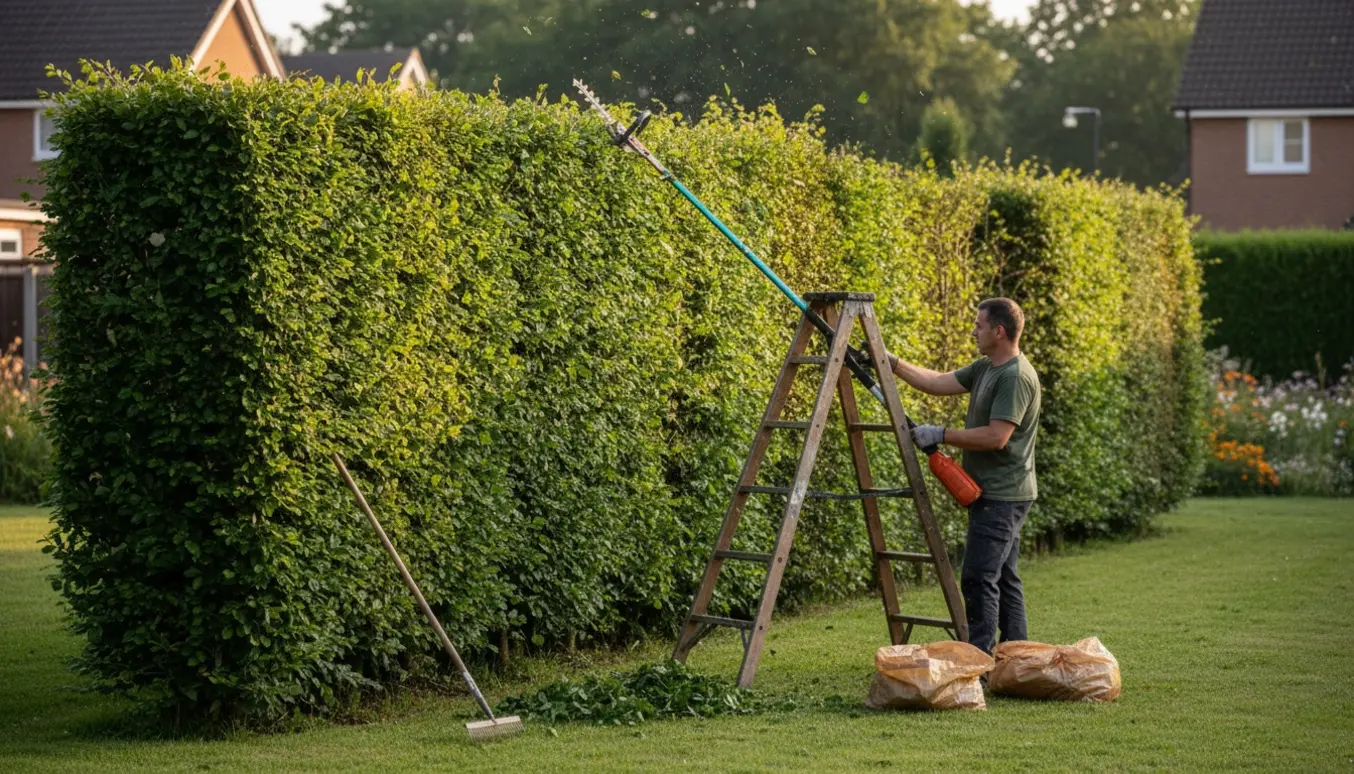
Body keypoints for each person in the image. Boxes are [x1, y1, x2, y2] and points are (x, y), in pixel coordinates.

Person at [878, 297, 1042, 656]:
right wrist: (890, 363)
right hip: (995, 491)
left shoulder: (1015, 377)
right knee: (1004, 578)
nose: (974, 330)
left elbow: (997, 437)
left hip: (1004, 495)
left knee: (979, 578)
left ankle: (979, 665)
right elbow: (937, 381)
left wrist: (941, 434)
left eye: (979, 325)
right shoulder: (987, 367)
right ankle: (1018, 659)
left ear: (999, 331)